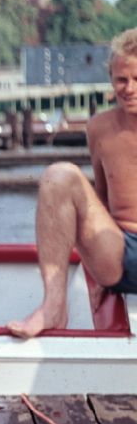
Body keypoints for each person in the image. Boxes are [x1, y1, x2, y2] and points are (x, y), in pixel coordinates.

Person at [8, 27, 137, 338]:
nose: (129, 88)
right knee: (60, 175)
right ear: (110, 79)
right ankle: (53, 305)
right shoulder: (98, 127)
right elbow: (100, 203)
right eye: (122, 79)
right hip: (119, 251)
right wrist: (93, 272)